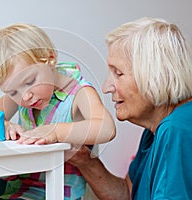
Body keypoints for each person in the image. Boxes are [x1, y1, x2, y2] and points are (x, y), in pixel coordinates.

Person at [0, 23, 116, 200]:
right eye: (12, 92)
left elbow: (107, 128)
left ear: (49, 60)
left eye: (29, 82)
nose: (24, 97)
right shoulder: (22, 93)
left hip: (56, 189)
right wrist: (4, 124)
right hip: (19, 180)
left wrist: (56, 131)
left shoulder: (79, 92)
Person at [67, 17, 192, 200]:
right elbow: (127, 194)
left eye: (118, 73)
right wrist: (85, 161)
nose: (106, 87)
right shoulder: (156, 129)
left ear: (154, 75)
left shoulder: (175, 129)